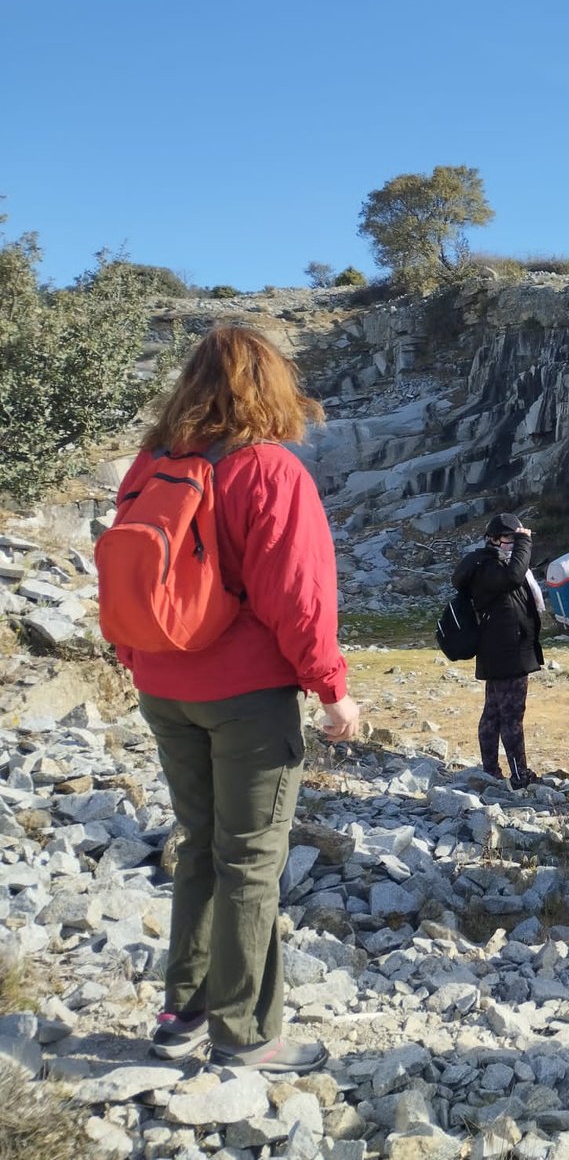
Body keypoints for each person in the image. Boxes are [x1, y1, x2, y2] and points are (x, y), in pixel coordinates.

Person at [109, 325, 358, 1074]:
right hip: (246, 695)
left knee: (199, 851)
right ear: (272, 387)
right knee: (250, 861)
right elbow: (301, 601)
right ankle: (247, 1035)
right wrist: (334, 692)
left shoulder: (149, 467)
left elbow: (121, 579)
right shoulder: (268, 470)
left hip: (161, 686)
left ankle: (180, 1013)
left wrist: (137, 660)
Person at [453, 512, 544, 789]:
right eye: (509, 538)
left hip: (502, 651)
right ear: (493, 539)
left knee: (493, 712)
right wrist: (524, 543)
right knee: (511, 716)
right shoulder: (488, 568)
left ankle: (490, 771)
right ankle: (519, 775)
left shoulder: (488, 565)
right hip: (507, 654)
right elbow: (515, 577)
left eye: (516, 538)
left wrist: (517, 542)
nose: (514, 543)